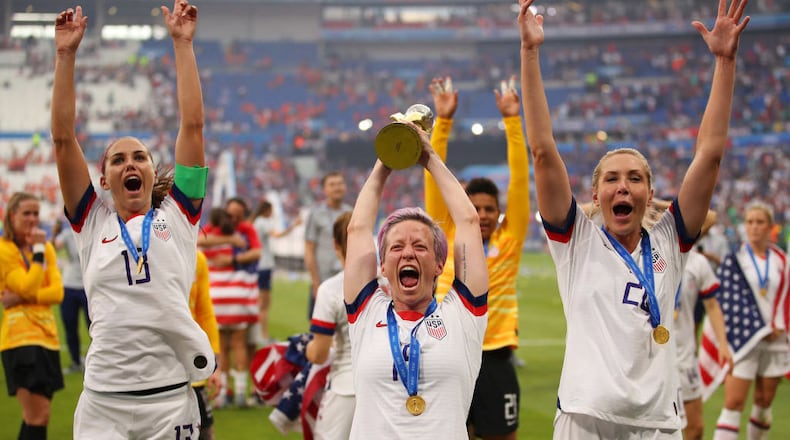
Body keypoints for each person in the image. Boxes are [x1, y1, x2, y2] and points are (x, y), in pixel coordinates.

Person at [518, 0, 749, 437]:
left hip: (657, 425)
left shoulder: (669, 242)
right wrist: (530, 53)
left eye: (635, 179)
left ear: (650, 193)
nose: (623, 187)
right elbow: (544, 151)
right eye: (611, 179)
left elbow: (710, 156)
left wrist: (725, 62)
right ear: (595, 194)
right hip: (584, 420)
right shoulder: (575, 242)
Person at [52, 3, 216, 439]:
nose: (131, 164)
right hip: (103, 403)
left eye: (139, 156)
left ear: (149, 168)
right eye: (118, 159)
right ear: (103, 179)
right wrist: (65, 57)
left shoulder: (180, 215)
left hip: (170, 402)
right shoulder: (91, 223)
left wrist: (182, 44)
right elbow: (63, 139)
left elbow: (193, 127)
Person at [343, 124, 489, 437]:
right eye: (397, 247)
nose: (408, 253)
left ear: (439, 263)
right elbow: (357, 231)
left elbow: (468, 221)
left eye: (420, 246)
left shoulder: (463, 315)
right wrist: (386, 159)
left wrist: (429, 157)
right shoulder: (367, 312)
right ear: (382, 265)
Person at [425, 75, 530, 439]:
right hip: (449, 348)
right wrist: (443, 123)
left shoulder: (511, 238)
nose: (483, 214)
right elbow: (433, 178)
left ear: (498, 212)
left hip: (496, 353)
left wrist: (513, 122)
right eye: (475, 207)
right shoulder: (446, 234)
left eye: (489, 209)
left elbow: (519, 181)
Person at [713, 202, 789, 440]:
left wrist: (779, 325)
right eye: (750, 222)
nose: (754, 227)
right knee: (734, 402)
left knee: (764, 402)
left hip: (776, 339)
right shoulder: (735, 259)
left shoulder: (782, 261)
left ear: (770, 227)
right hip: (744, 338)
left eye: (760, 222)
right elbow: (726, 302)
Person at [0, 192, 64, 440]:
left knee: (36, 418)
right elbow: (27, 284)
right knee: (38, 417)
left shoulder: (46, 247)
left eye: (36, 213)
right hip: (20, 338)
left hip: (48, 337)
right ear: (12, 215)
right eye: (26, 213)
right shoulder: (5, 249)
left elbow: (57, 292)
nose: (33, 218)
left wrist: (20, 297)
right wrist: (37, 253)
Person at [199, 206, 258, 408]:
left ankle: (223, 394)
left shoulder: (209, 237)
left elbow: (197, 241)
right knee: (240, 345)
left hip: (216, 298)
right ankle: (241, 392)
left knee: (222, 348)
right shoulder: (236, 237)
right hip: (238, 296)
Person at [675, 240, 733, 440]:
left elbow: (712, 306)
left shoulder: (697, 262)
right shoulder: (639, 254)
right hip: (648, 360)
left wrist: (723, 345)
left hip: (684, 356)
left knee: (696, 427)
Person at [306, 211, 353, 440]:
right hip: (387, 389)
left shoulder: (332, 289)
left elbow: (319, 354)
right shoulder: (390, 285)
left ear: (335, 244)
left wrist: (308, 348)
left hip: (346, 389)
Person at [250, 199, 302, 344]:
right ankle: (263, 335)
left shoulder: (256, 222)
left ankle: (261, 334)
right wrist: (294, 226)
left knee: (262, 302)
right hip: (264, 266)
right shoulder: (263, 222)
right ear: (267, 210)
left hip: (259, 265)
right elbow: (277, 235)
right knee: (264, 303)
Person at [305, 171, 351, 319]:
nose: (337, 188)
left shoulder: (351, 212)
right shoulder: (316, 214)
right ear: (325, 190)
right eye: (332, 185)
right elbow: (309, 250)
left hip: (346, 281)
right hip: (323, 279)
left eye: (340, 184)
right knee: (321, 329)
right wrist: (316, 282)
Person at [189, 250, 222, 440]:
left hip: (193, 369)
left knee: (205, 433)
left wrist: (214, 363)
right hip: (159, 370)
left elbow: (205, 312)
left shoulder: (197, 258)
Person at [53, 217, 91, 374]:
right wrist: (55, 233)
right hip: (69, 285)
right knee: (70, 326)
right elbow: (54, 247)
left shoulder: (93, 229)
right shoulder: (68, 233)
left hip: (89, 286)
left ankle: (96, 361)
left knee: (95, 327)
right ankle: (76, 361)